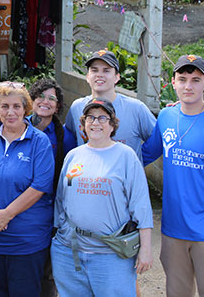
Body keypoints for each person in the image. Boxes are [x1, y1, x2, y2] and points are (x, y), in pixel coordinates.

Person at [142, 55, 204, 297]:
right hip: (173, 228)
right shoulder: (166, 117)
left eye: (195, 80)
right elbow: (145, 154)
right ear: (172, 83)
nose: (188, 86)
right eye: (182, 79)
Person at [51, 98, 154, 297]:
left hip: (111, 255)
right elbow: (61, 201)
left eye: (102, 118)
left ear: (112, 125)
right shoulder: (73, 156)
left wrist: (146, 249)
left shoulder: (126, 156)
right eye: (90, 117)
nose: (95, 122)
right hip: (69, 252)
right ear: (83, 124)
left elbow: (141, 205)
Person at [0, 82, 54, 297]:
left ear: (26, 109)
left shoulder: (39, 142)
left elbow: (39, 186)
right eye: (4, 106)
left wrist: (7, 214)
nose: (10, 112)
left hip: (26, 239)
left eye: (16, 106)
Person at [27, 78, 76, 297]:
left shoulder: (65, 136)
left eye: (52, 99)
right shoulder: (17, 125)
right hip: (18, 207)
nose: (45, 102)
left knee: (48, 269)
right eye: (40, 96)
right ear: (31, 100)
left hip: (50, 208)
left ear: (58, 107)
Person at [64, 50, 156, 159]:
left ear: (117, 77)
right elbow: (68, 138)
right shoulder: (77, 107)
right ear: (88, 76)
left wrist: (137, 161)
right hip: (89, 174)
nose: (99, 75)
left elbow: (157, 141)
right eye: (94, 70)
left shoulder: (136, 108)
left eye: (106, 71)